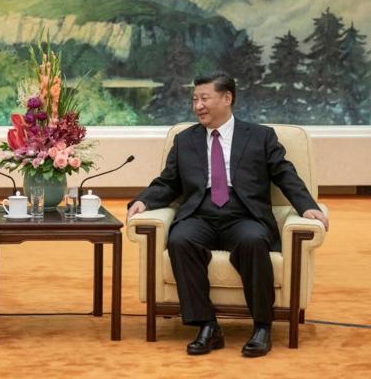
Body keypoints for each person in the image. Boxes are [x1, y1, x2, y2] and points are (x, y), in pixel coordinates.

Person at [127, 72, 328, 358]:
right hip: (201, 212)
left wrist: (308, 205)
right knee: (180, 240)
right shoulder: (185, 140)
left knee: (253, 241)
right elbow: (169, 181)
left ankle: (262, 327)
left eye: (204, 98)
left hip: (243, 213)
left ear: (227, 98)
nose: (198, 106)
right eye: (194, 99)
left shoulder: (260, 136)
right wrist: (144, 202)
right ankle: (207, 326)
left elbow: (285, 174)